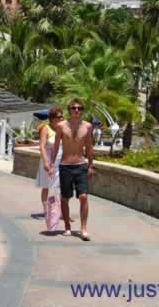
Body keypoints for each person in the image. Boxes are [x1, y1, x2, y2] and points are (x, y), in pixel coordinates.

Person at [52, 98, 94, 241]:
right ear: (69, 110)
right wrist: (51, 165)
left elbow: (89, 146)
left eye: (79, 108)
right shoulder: (61, 126)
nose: (77, 110)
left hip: (81, 166)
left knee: (83, 197)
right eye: (74, 108)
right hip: (65, 166)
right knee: (65, 198)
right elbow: (56, 146)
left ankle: (83, 229)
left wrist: (91, 165)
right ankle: (67, 227)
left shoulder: (87, 126)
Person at [35, 107, 64, 218]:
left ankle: (60, 211)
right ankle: (46, 211)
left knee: (60, 186)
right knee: (46, 186)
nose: (61, 118)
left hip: (60, 161)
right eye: (59, 117)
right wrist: (46, 163)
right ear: (52, 118)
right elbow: (41, 146)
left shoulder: (61, 129)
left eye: (62, 116)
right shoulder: (46, 128)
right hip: (48, 160)